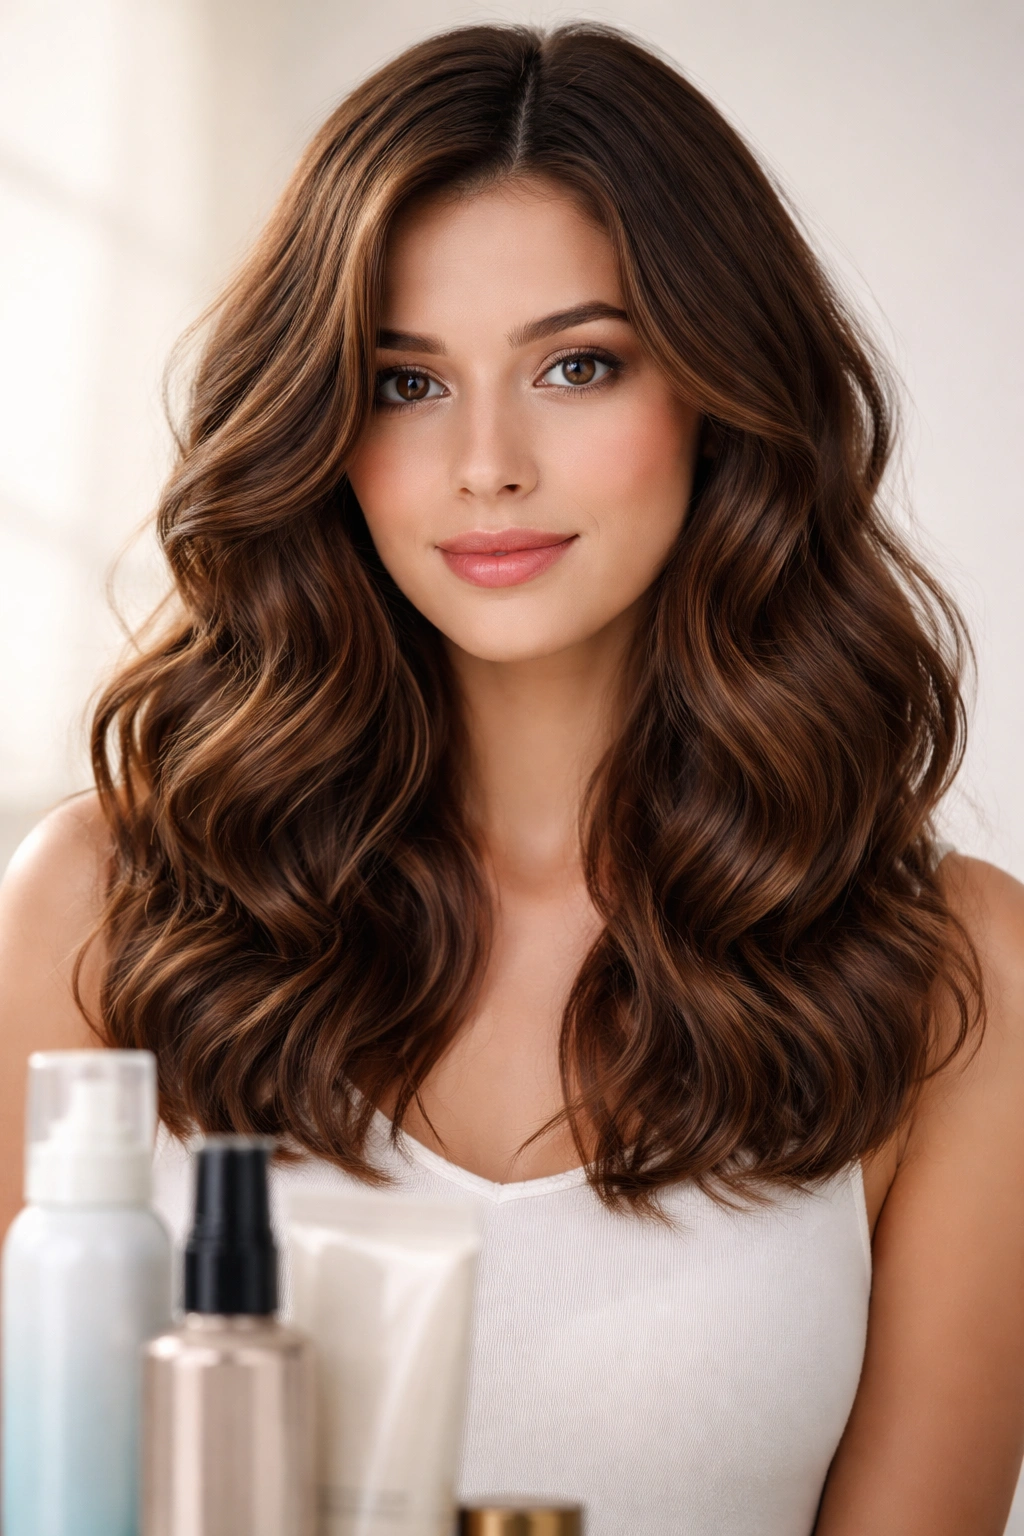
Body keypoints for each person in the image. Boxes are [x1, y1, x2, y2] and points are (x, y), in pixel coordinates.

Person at [2, 22, 1023, 1535]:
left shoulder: (958, 981)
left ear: (722, 396)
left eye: (578, 365)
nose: (487, 461)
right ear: (323, 427)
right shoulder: (97, 904)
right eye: (407, 384)